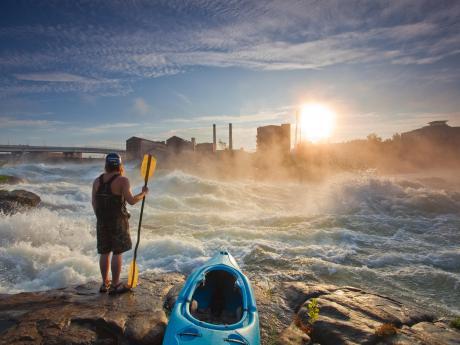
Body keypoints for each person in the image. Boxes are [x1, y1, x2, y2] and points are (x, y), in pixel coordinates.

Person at [92, 153, 148, 294]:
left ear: (106, 165)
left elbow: (94, 202)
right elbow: (131, 200)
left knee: (104, 252)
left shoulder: (97, 181)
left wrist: (100, 217)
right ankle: (115, 284)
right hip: (118, 221)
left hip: (101, 221)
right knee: (117, 252)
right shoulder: (123, 180)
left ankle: (104, 283)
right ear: (120, 165)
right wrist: (143, 194)